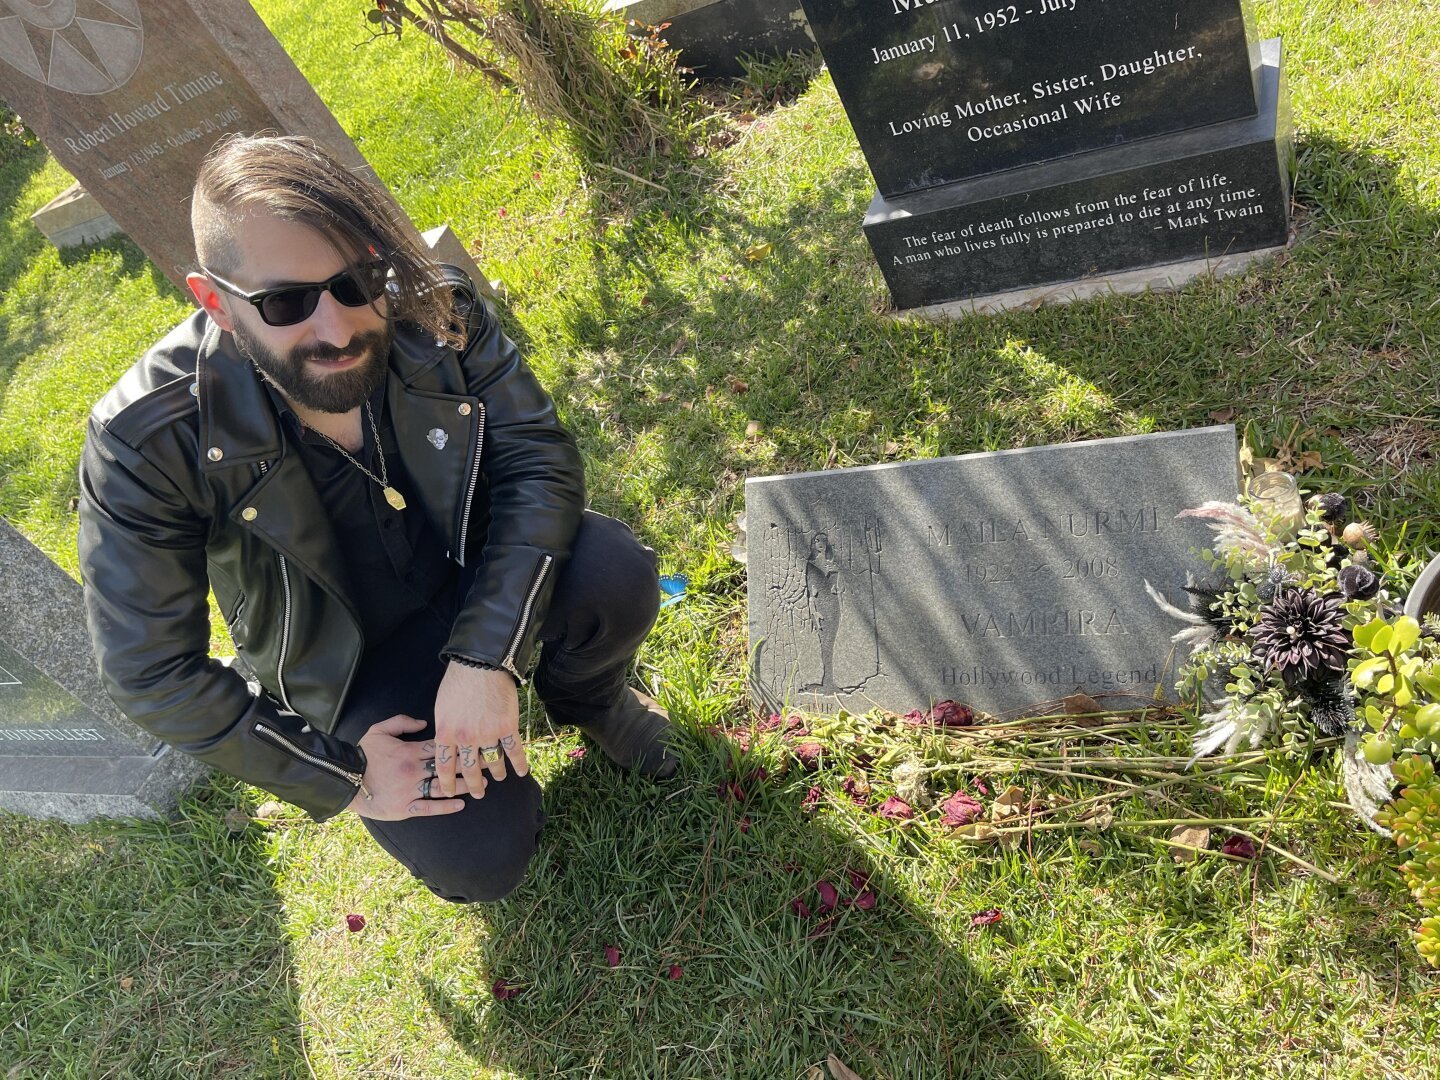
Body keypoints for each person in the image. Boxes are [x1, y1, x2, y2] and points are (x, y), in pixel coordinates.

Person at [78, 134, 678, 904]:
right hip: (347, 664)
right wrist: (344, 776)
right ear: (216, 303)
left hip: (474, 570)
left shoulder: (433, 309)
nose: (337, 329)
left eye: (356, 279)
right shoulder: (146, 439)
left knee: (613, 571)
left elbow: (538, 459)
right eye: (286, 303)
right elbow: (150, 671)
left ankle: (592, 704)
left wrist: (486, 655)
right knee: (481, 859)